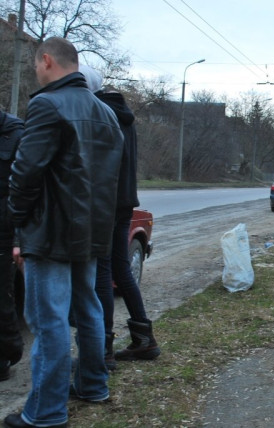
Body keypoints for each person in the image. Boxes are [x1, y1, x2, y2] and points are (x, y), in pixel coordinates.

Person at [5, 37, 124, 428]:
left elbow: (26, 172)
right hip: (90, 230)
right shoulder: (106, 113)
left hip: (50, 232)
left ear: (46, 60)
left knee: (48, 320)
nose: (35, 73)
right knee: (88, 308)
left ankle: (46, 413)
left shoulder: (46, 104)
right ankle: (93, 385)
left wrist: (16, 222)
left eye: (35, 66)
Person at [79, 65, 160, 371]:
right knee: (120, 269)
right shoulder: (122, 112)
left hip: (106, 200)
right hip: (124, 199)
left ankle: (103, 351)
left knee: (102, 272)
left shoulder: (99, 111)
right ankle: (144, 339)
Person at [0, 109, 24, 382]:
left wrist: (19, 239)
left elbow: (24, 188)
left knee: (2, 299)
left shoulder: (17, 133)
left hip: (4, 231)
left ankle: (6, 356)